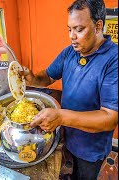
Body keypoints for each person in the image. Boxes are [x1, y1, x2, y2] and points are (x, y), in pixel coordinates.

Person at [19, 0, 118, 179]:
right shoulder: (70, 52)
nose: (72, 36)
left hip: (91, 150)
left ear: (98, 26)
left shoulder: (113, 60)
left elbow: (110, 118)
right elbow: (48, 77)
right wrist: (32, 78)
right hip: (66, 137)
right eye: (69, 29)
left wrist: (61, 116)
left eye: (79, 30)